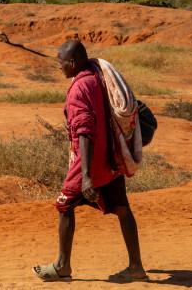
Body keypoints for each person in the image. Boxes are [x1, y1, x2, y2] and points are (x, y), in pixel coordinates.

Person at [32, 40, 148, 282]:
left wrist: (86, 176)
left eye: (61, 63)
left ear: (72, 63)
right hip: (111, 158)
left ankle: (62, 265)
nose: (60, 67)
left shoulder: (78, 88)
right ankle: (136, 266)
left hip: (91, 161)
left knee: (64, 205)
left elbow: (85, 132)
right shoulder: (96, 76)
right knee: (122, 209)